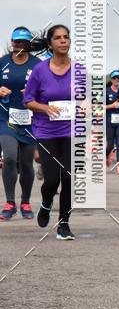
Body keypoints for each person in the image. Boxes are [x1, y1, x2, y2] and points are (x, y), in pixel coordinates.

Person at [23, 25, 76, 240]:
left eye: (66, 37)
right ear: (50, 43)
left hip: (72, 131)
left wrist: (87, 107)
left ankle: (64, 224)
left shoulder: (79, 70)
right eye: (58, 38)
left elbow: (90, 100)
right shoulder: (40, 70)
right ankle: (46, 203)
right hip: (46, 132)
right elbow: (28, 100)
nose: (63, 41)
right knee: (52, 180)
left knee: (69, 178)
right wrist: (45, 108)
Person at [0, 28, 41, 220]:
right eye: (16, 42)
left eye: (23, 43)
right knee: (8, 157)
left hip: (30, 121)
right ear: (12, 42)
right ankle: (9, 202)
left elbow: (48, 92)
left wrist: (33, 93)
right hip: (6, 119)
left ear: (29, 44)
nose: (19, 46)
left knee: (26, 164)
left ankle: (25, 201)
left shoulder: (38, 65)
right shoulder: (2, 63)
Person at [105, 70, 119, 174]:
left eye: (118, 77)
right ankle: (106, 156)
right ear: (111, 79)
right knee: (109, 146)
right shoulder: (106, 91)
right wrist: (111, 106)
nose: (117, 79)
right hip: (109, 122)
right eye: (114, 78)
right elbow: (96, 107)